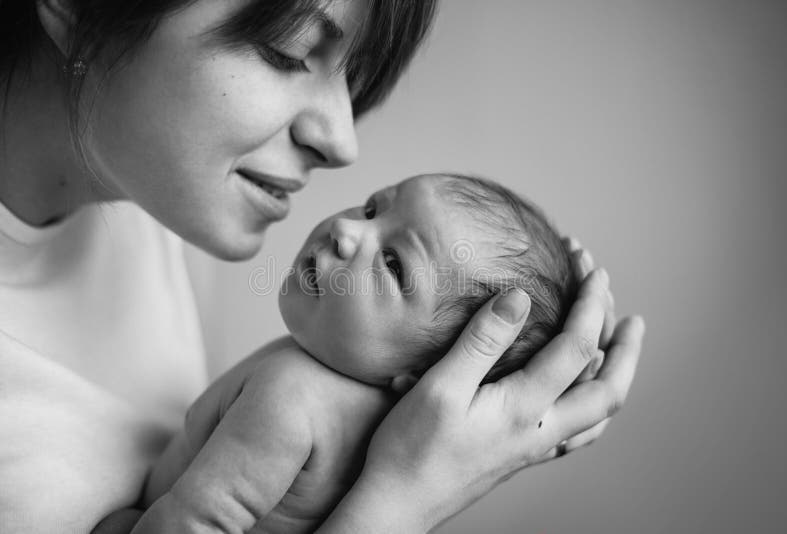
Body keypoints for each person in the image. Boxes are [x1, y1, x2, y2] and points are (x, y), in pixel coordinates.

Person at [0, 1, 645, 533]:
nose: (343, 139)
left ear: (417, 376)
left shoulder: (151, 216)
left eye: (349, 70)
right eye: (287, 48)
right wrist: (402, 502)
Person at [140, 172, 590, 533]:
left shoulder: (289, 398)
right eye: (374, 208)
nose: (346, 229)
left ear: (423, 375)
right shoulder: (392, 436)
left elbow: (197, 522)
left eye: (393, 264)